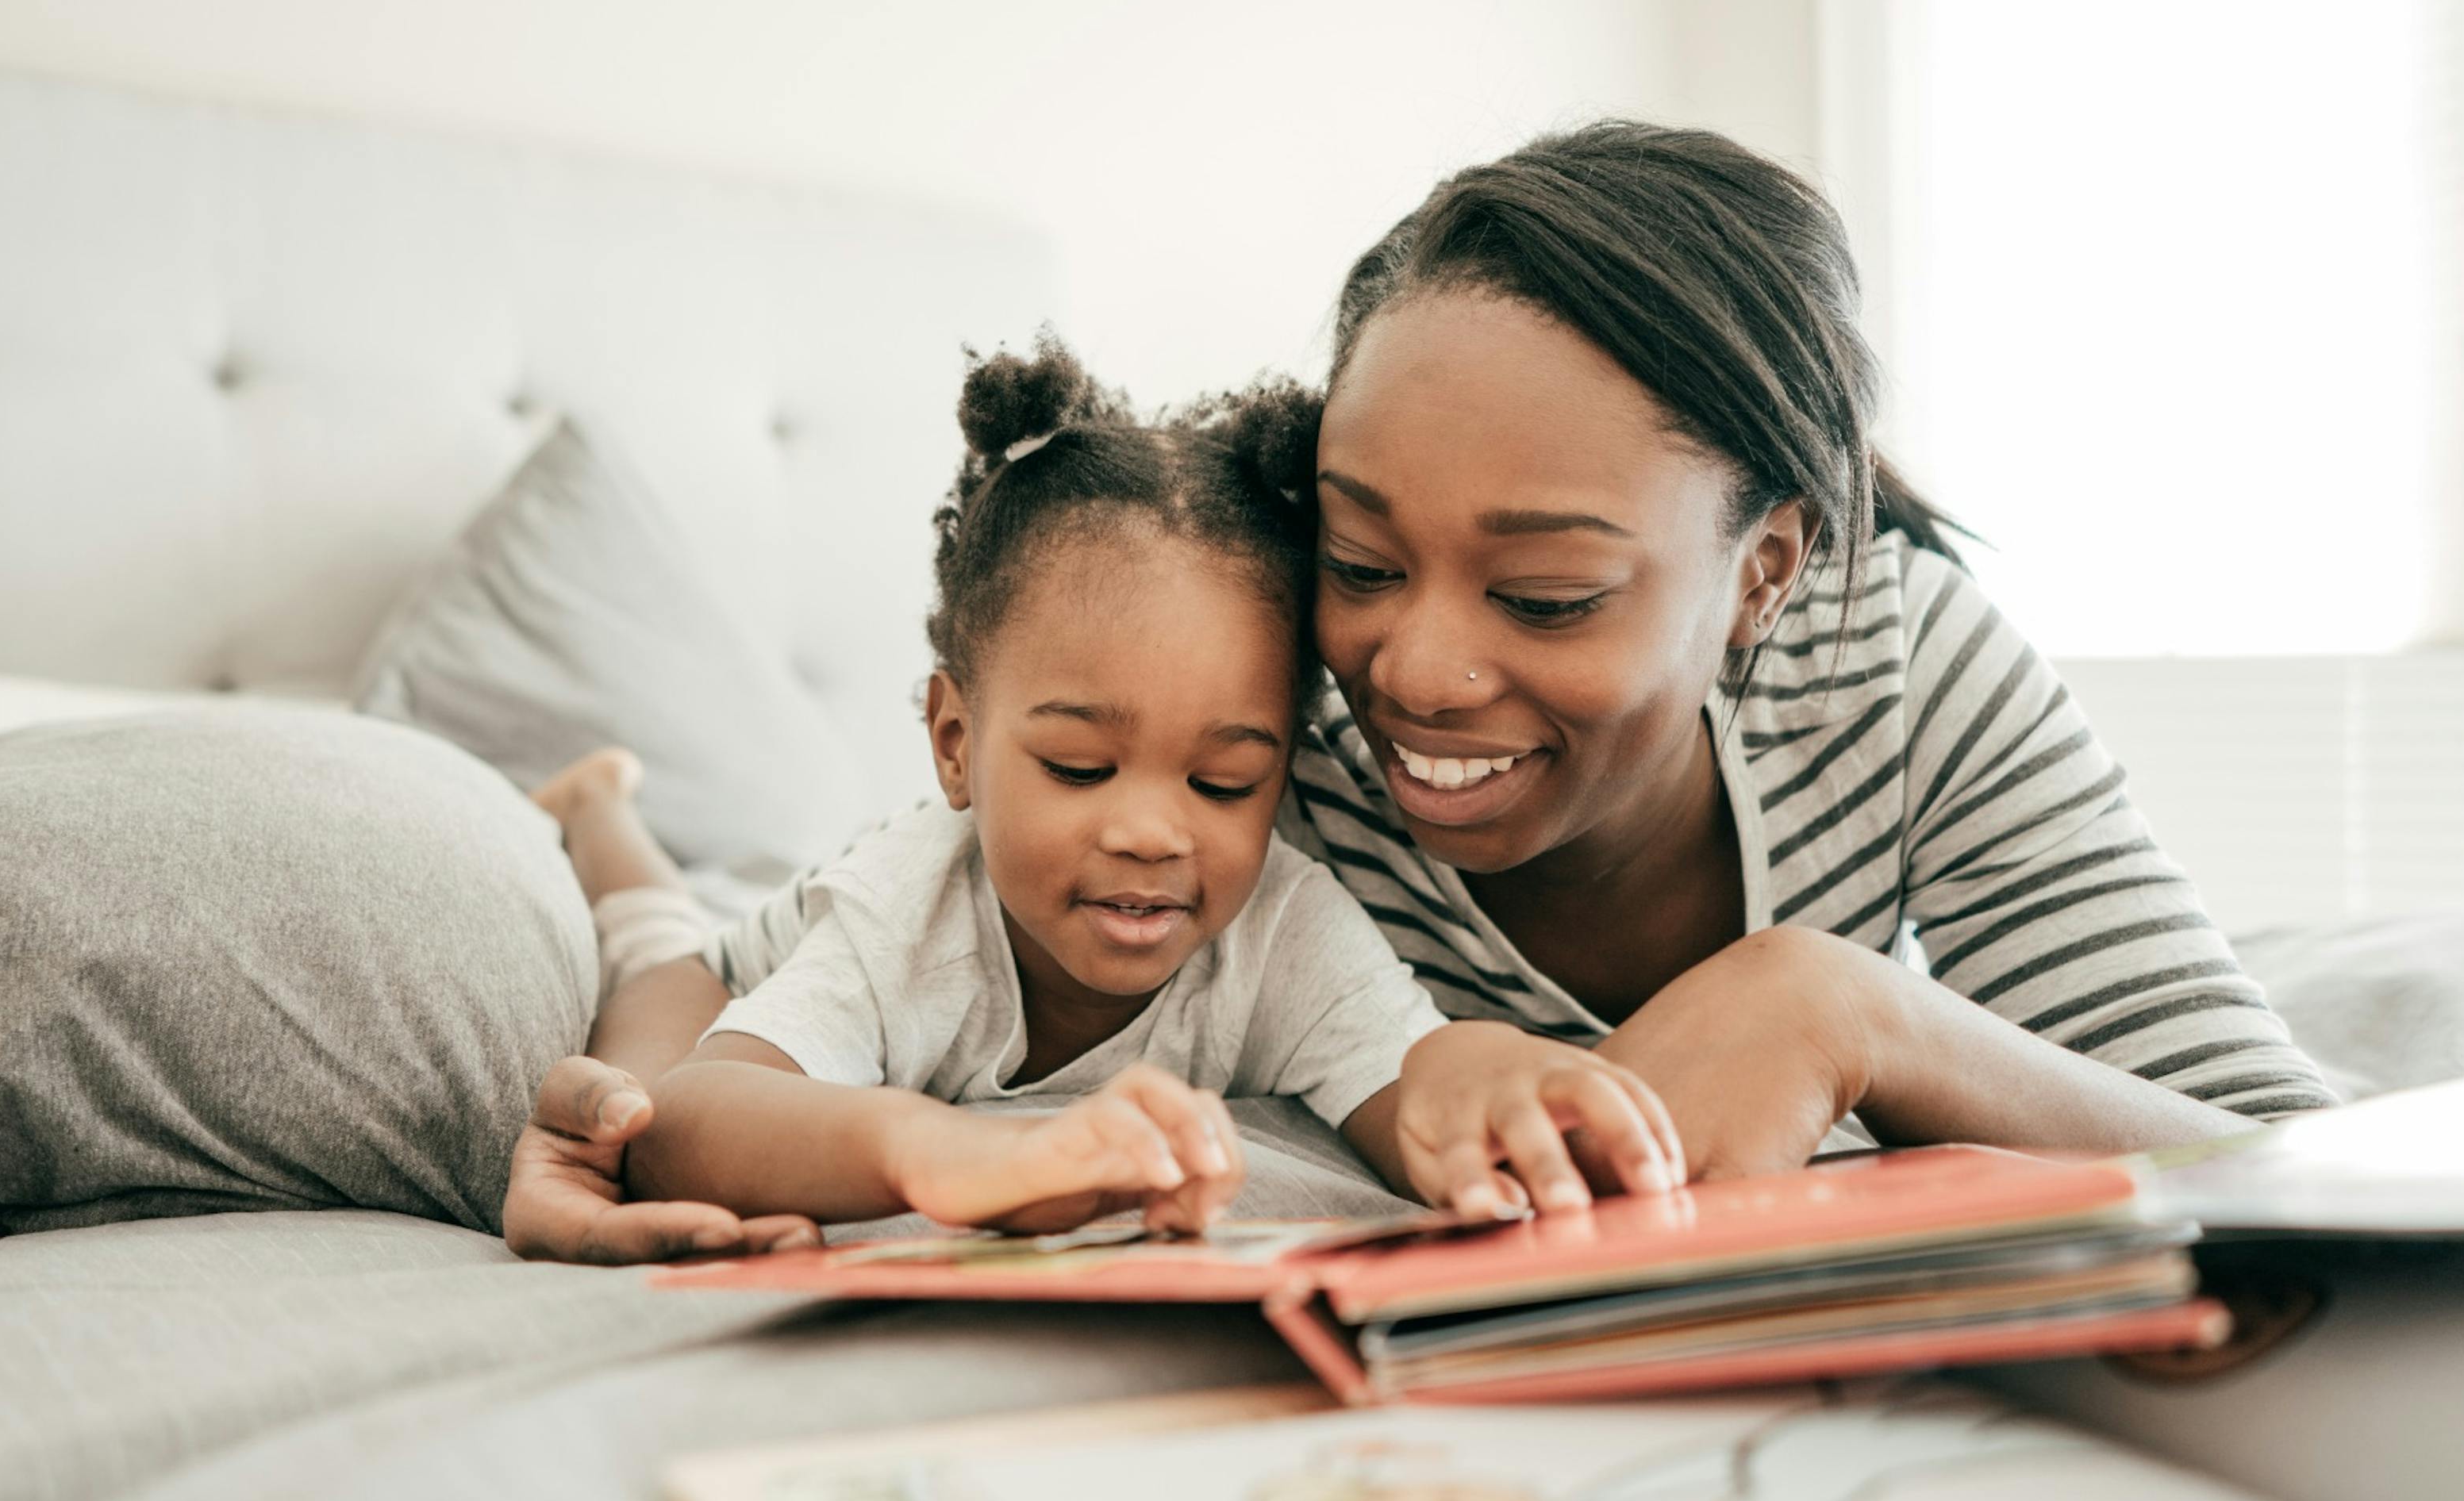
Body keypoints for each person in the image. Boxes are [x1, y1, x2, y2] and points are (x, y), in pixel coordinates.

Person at [503, 121, 2334, 1264]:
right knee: (679, 923)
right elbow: (885, 979)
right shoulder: (1238, 739)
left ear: (1770, 567)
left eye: (1546, 591)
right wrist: (633, 1107)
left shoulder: (1901, 662)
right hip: (788, 918)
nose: (1413, 673)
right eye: (1361, 561)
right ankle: (609, 824)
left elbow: (2314, 1169)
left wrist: (1857, 1014)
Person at [522, 337, 1682, 1248]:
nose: (1148, 833)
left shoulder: (1283, 928)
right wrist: (945, 1154)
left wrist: (1492, 1078)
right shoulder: (905, 915)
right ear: (956, 743)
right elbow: (702, 1118)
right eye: (1079, 768)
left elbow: (1409, 1072)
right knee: (650, 982)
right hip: (733, 968)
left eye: (1226, 782)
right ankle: (598, 809)